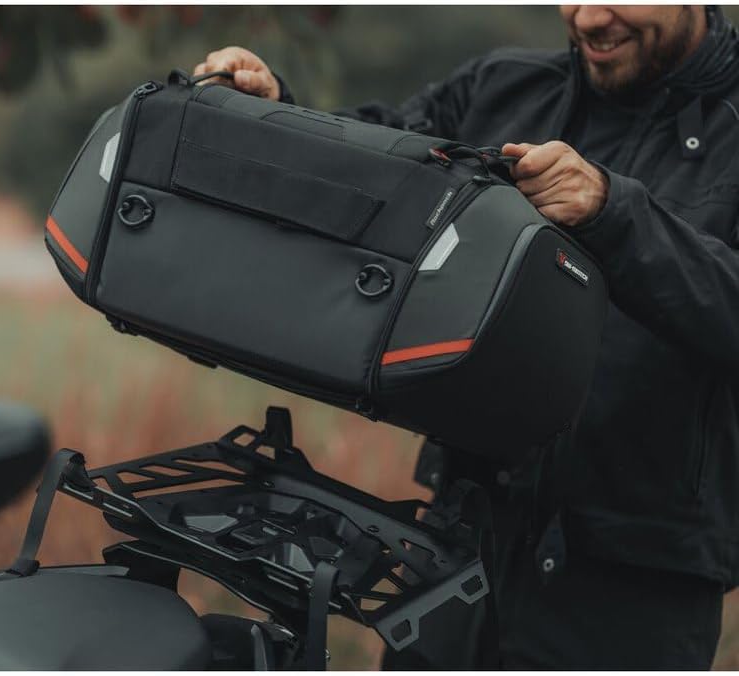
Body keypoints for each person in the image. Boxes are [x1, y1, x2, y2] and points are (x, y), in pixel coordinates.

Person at [194, 5, 739, 670]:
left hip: (638, 582)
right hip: (457, 547)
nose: (588, 16)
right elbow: (376, 161)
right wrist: (277, 108)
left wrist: (613, 213)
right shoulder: (500, 87)